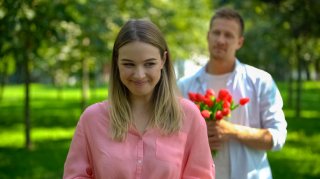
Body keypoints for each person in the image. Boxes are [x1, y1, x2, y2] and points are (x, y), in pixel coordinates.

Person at [63, 19, 215, 179]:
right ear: (116, 62)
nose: (139, 74)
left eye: (149, 64)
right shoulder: (92, 119)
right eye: (129, 64)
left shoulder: (189, 116)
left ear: (163, 60)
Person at [178, 7, 287, 179]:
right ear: (208, 36)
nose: (221, 40)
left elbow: (278, 137)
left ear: (240, 42)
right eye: (216, 33)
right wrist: (198, 137)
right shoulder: (184, 86)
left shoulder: (261, 81)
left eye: (228, 35)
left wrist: (232, 131)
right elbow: (173, 140)